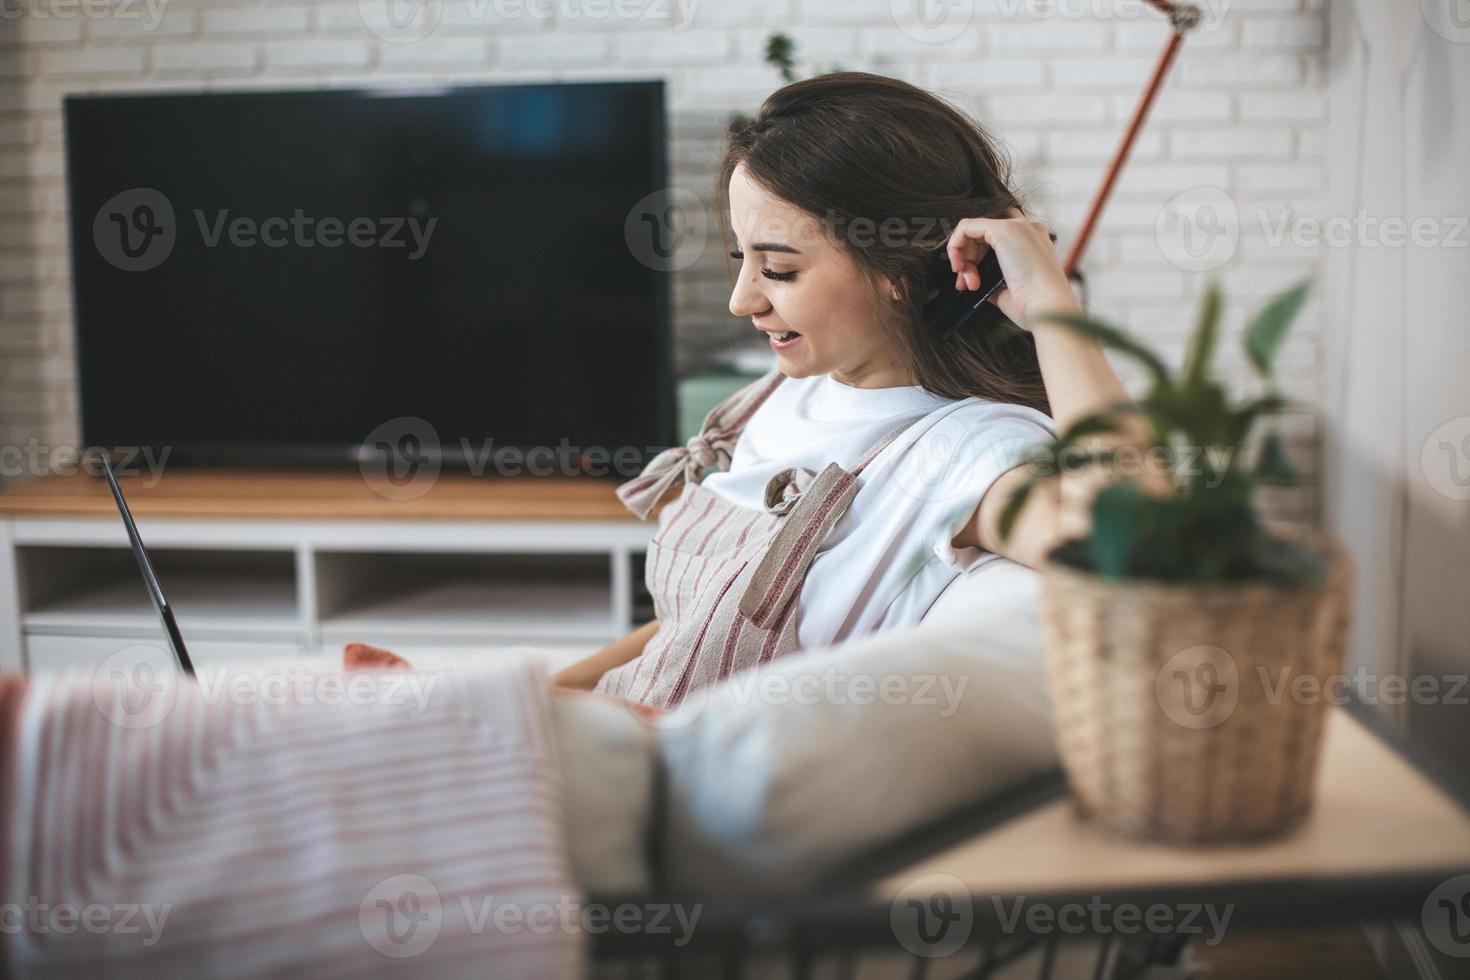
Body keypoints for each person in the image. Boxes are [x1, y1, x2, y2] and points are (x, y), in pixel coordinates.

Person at [551, 72, 1158, 708]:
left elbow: (1136, 555)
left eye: (779, 270)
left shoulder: (966, 452)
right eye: (744, 261)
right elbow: (682, 632)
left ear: (895, 271)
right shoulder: (783, 394)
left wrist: (1052, 308)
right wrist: (550, 697)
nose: (741, 302)